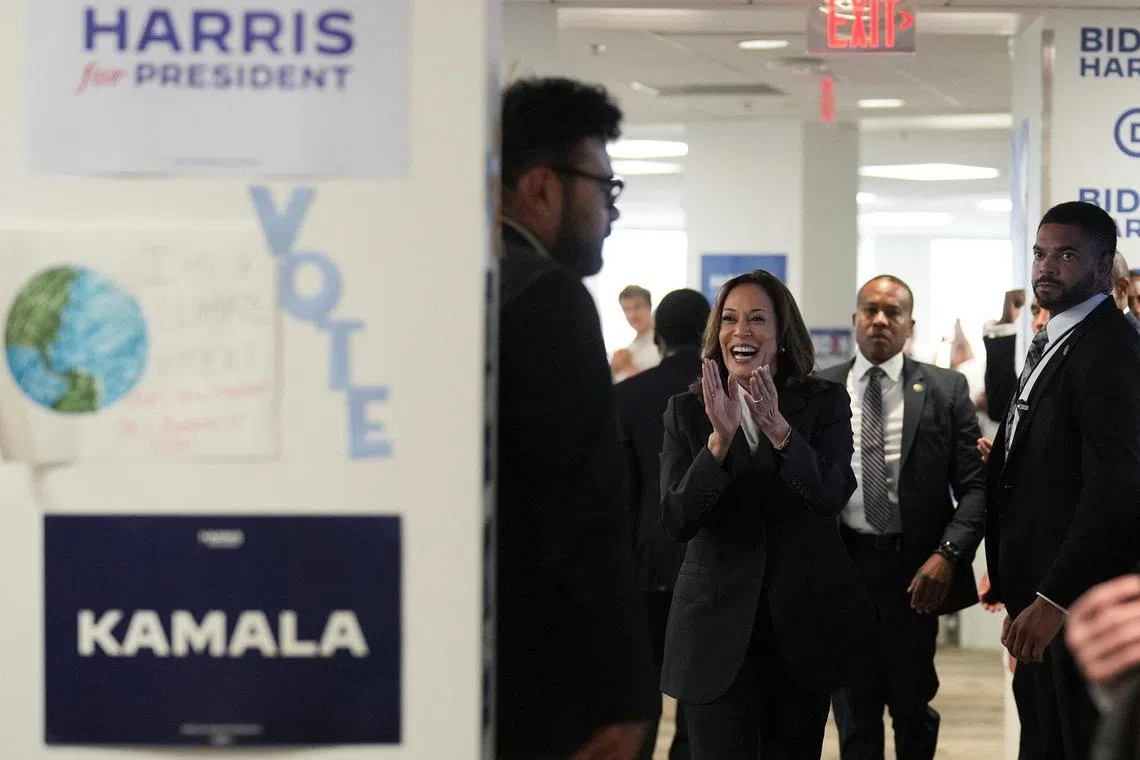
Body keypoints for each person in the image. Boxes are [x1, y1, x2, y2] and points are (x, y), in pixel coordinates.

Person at [497, 76, 659, 760]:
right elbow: (582, 515)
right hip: (541, 678)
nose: (611, 214)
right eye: (605, 189)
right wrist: (624, 697)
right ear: (542, 187)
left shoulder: (459, 284)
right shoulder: (547, 299)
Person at [658, 270, 878, 760]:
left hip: (801, 630)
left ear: (781, 336)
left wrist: (780, 433)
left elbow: (832, 493)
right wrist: (717, 445)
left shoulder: (823, 402)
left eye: (758, 319)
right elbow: (676, 518)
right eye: (731, 319)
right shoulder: (687, 411)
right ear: (717, 333)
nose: (742, 331)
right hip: (715, 633)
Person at [984, 200, 1140, 760]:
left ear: (1104, 268)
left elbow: (1116, 489)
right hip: (1037, 594)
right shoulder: (1059, 338)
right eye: (1040, 253)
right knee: (1044, 740)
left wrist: (1055, 599)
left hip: (1076, 607)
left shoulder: (1110, 350)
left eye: (1067, 255)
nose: (1047, 267)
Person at [820, 275, 986, 760]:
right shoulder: (818, 390)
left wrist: (948, 555)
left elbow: (976, 488)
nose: (879, 321)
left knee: (913, 709)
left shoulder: (944, 389)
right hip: (845, 571)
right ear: (854, 320)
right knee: (853, 715)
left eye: (892, 313)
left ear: (909, 324)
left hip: (915, 574)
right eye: (870, 311)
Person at [615, 288, 711, 760]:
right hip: (712, 568)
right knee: (700, 696)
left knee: (642, 691)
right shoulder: (731, 394)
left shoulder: (626, 396)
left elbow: (617, 493)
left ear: (659, 338)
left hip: (644, 566)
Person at [612, 285, 661, 382]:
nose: (632, 315)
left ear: (649, 306)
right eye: (626, 309)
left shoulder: (662, 343)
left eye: (637, 307)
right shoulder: (631, 348)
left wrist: (627, 366)